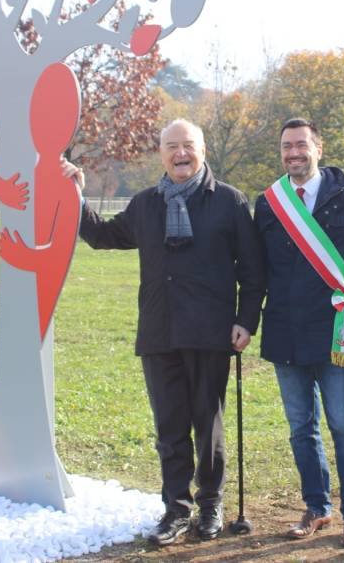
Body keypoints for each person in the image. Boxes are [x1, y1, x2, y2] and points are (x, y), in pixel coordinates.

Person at [63, 119, 265, 546]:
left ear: (202, 149)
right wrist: (74, 193)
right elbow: (101, 235)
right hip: (159, 332)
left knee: (207, 426)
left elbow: (252, 270)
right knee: (169, 428)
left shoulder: (228, 202)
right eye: (171, 146)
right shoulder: (146, 204)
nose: (180, 154)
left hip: (211, 333)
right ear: (160, 153)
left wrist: (246, 321)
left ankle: (210, 503)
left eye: (187, 145)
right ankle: (176, 508)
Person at [254, 118, 344, 548]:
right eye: (287, 146)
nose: (294, 153)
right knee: (300, 427)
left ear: (319, 149)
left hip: (335, 335)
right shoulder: (269, 203)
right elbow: (258, 271)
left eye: (302, 145)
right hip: (286, 333)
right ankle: (317, 506)